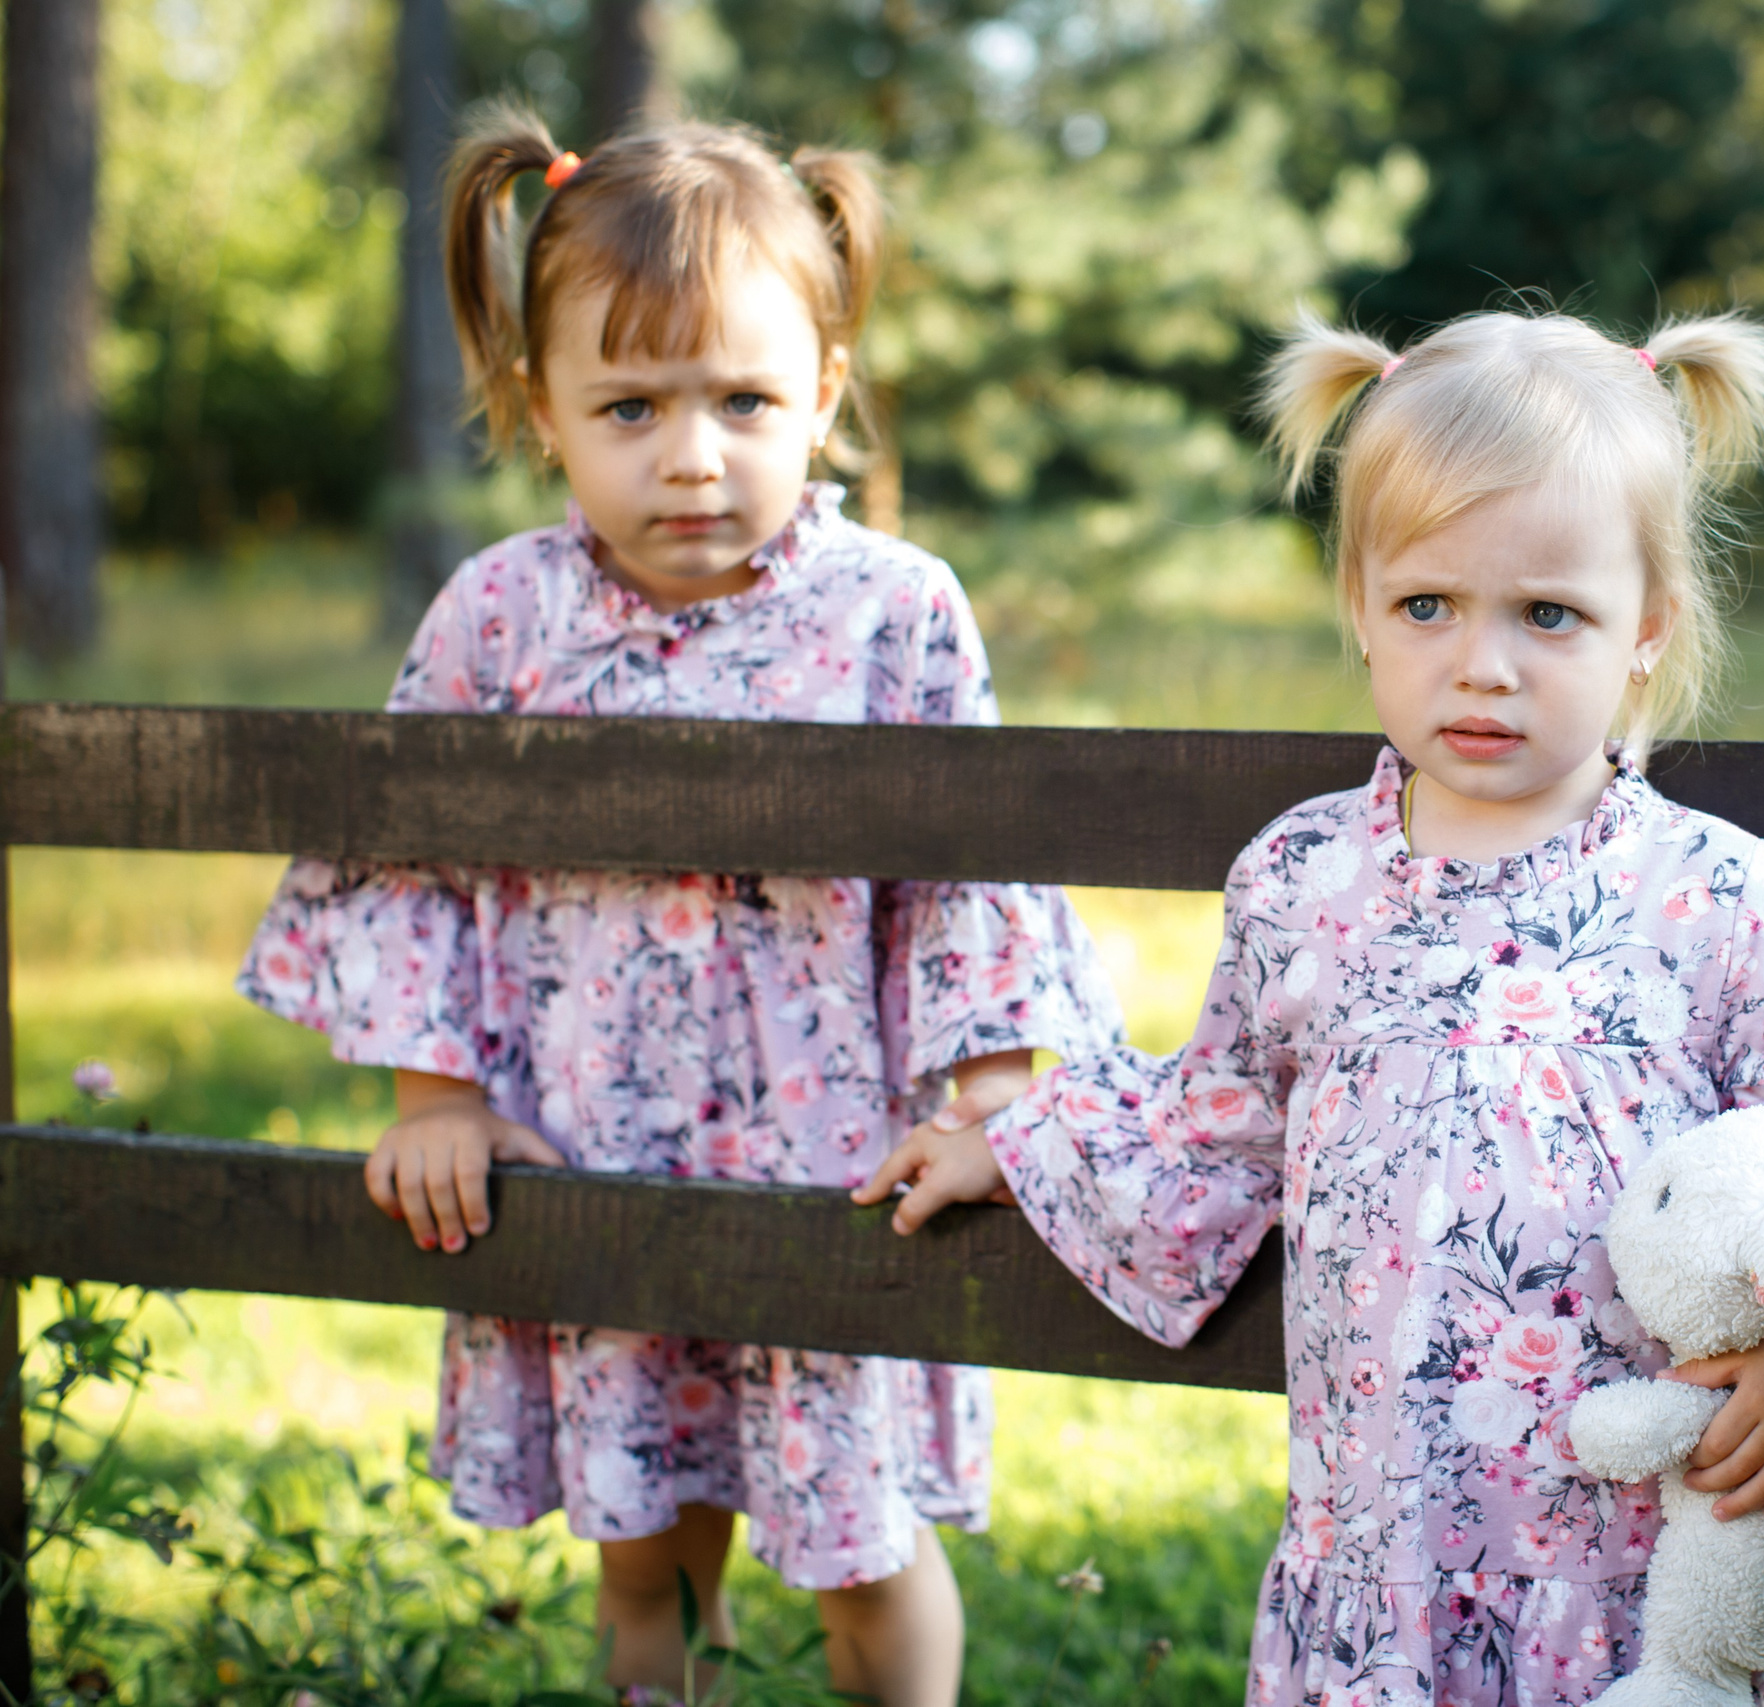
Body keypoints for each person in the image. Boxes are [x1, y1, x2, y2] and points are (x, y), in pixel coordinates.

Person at [860, 308, 1764, 1705]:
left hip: (1628, 1564)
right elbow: (1216, 1126)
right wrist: (1021, 1143)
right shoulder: (1300, 880)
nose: (1483, 663)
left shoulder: (1707, 895)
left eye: (1548, 614)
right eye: (1428, 606)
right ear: (1359, 604)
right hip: (1381, 1559)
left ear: (1646, 627)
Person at [236, 105, 1121, 1706]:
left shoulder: (891, 613)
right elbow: (403, 860)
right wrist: (436, 1093)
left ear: (826, 396)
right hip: (593, 1157)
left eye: (745, 400)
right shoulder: (501, 615)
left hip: (830, 1174)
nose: (693, 452)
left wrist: (993, 1099)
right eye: (630, 404)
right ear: (540, 409)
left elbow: (973, 873)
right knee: (642, 1542)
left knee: (862, 1548)